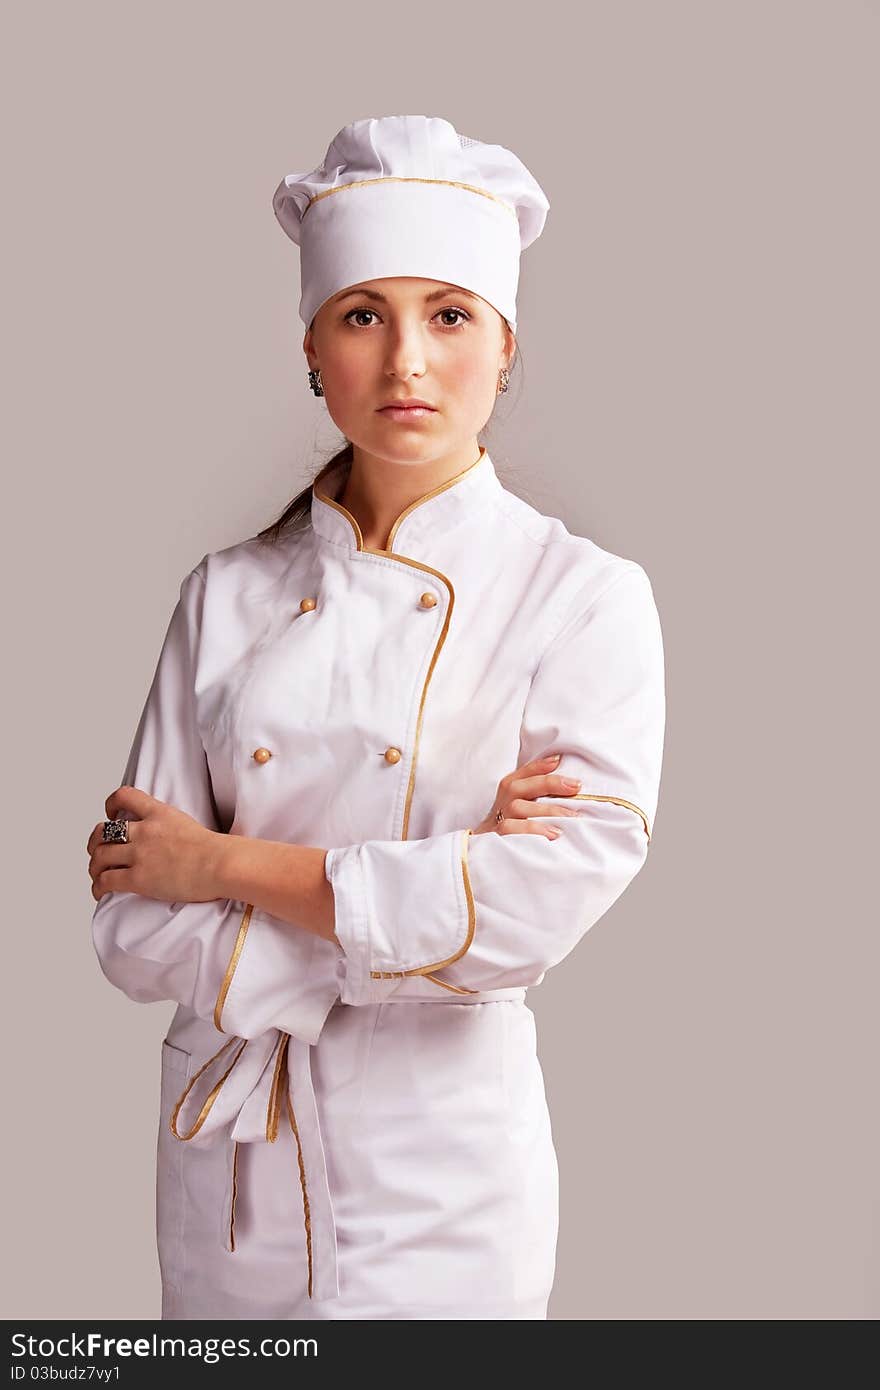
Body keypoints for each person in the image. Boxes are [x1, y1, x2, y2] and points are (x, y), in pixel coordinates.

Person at [87, 114, 666, 1321]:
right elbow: (134, 921)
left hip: (444, 1176)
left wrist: (226, 865)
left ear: (506, 347)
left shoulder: (580, 596)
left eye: (449, 315)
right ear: (311, 347)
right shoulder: (225, 594)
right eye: (363, 315)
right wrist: (425, 896)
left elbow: (533, 910)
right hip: (233, 1174)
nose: (407, 360)